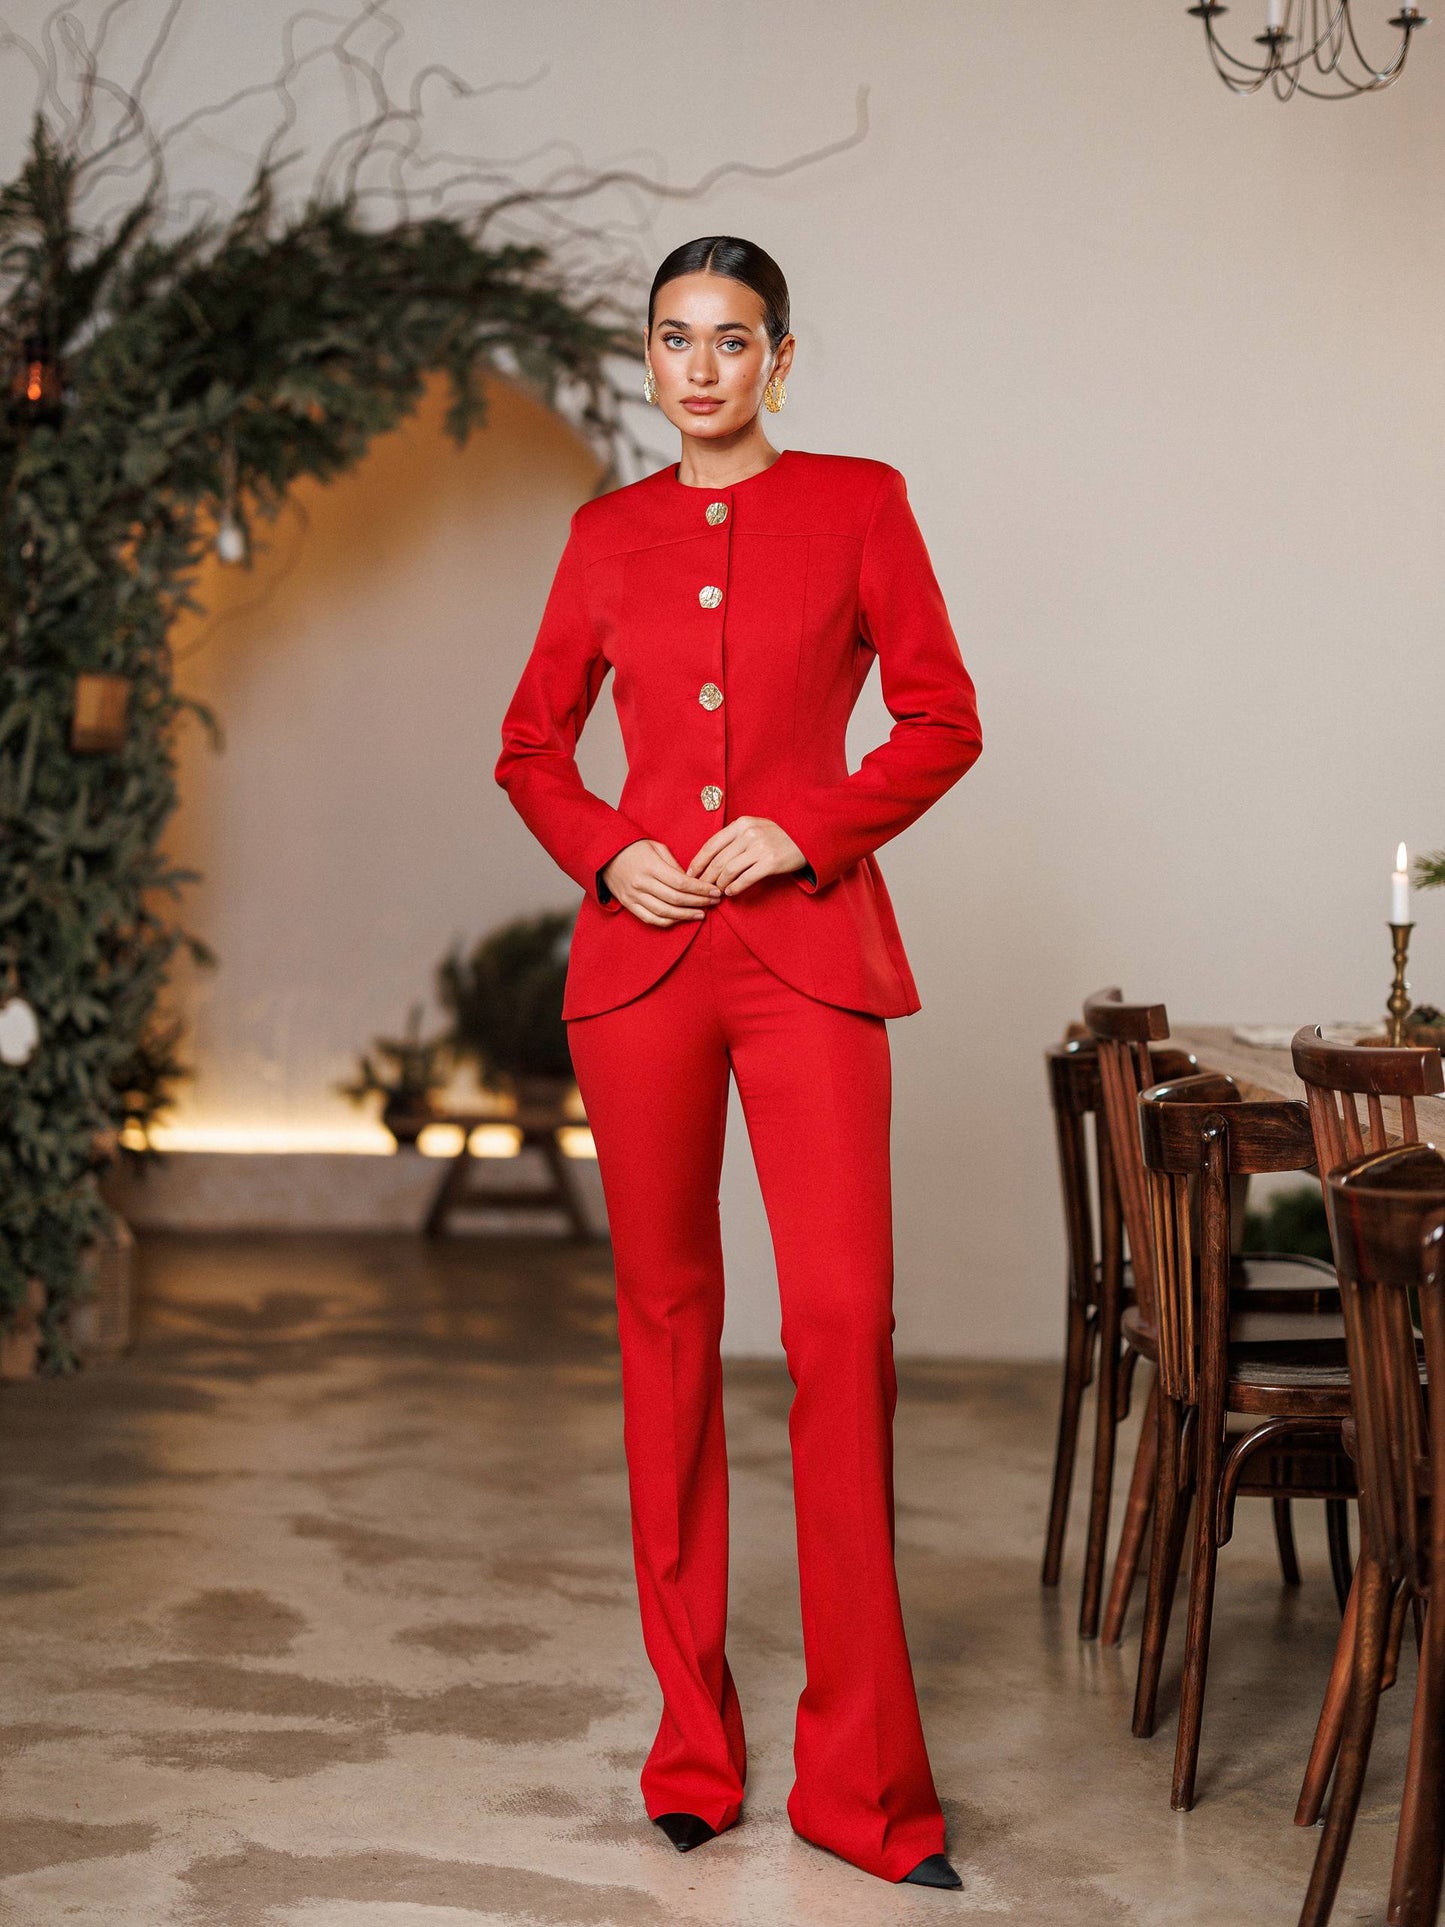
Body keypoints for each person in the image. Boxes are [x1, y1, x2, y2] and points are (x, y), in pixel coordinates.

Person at [493, 235, 982, 1890]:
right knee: (667, 1331)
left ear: (784, 356)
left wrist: (806, 823)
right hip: (641, 974)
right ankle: (689, 1743)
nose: (700, 368)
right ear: (651, 360)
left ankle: (866, 1791)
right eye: (672, 340)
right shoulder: (602, 533)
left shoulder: (859, 502)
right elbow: (530, 743)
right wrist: (604, 847)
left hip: (804, 960)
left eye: (733, 340)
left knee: (841, 1330)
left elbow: (936, 719)